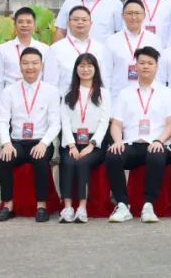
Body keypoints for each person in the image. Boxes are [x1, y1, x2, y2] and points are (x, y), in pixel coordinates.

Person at [105, 46, 171, 224]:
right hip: (132, 144)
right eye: (142, 62)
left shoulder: (166, 93)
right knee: (113, 155)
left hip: (158, 144)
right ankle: (122, 205)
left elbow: (170, 123)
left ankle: (148, 205)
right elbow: (116, 123)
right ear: (135, 66)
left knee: (155, 154)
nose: (145, 66)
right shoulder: (125, 93)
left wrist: (159, 140)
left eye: (150, 63)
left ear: (157, 66)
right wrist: (117, 141)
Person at [0, 47, 60, 222]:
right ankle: (7, 205)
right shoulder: (9, 91)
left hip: (41, 141)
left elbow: (55, 123)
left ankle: (41, 206)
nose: (30, 67)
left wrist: (44, 143)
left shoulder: (51, 91)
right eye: (26, 63)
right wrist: (6, 143)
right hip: (17, 142)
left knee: (40, 159)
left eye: (34, 63)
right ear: (20, 65)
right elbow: (2, 121)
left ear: (41, 65)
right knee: (5, 159)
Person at [58, 53, 111, 224]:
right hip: (71, 141)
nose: (85, 69)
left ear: (95, 69)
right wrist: (71, 145)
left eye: (89, 66)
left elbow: (104, 122)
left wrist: (92, 145)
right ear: (76, 69)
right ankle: (67, 207)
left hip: (94, 142)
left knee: (82, 162)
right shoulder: (68, 93)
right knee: (68, 162)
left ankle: (82, 207)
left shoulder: (103, 93)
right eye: (81, 66)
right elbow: (64, 122)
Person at [0, 7, 50, 112]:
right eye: (20, 22)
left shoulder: (45, 49)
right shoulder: (3, 49)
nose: (24, 25)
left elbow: (48, 79)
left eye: (28, 22)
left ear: (34, 25)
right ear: (15, 25)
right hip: (11, 102)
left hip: (37, 103)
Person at [43, 6, 109, 96]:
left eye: (84, 20)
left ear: (91, 24)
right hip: (65, 100)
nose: (80, 22)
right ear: (68, 23)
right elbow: (50, 82)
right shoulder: (56, 49)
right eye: (75, 19)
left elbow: (105, 79)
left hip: (94, 100)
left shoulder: (100, 48)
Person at [103, 0, 158, 98]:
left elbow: (159, 71)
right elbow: (106, 72)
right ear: (122, 16)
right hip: (118, 96)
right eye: (129, 13)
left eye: (137, 13)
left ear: (144, 15)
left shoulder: (154, 40)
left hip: (147, 97)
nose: (133, 17)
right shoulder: (111, 41)